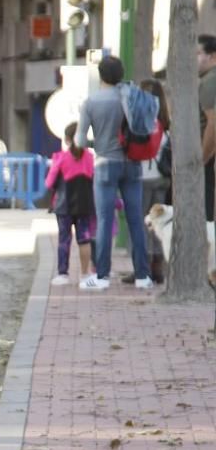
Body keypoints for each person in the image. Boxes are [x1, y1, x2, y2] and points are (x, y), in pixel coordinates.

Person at [76, 55, 152, 290]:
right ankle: (142, 276)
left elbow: (79, 141)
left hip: (106, 163)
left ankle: (102, 276)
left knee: (105, 220)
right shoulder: (131, 96)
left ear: (100, 74)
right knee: (135, 219)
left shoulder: (91, 102)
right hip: (133, 162)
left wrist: (96, 142)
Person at [122, 78, 171, 285]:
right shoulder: (166, 121)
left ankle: (141, 268)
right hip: (162, 177)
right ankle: (158, 266)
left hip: (140, 177)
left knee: (139, 224)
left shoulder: (139, 120)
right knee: (160, 223)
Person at [46, 122, 95, 286]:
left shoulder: (61, 158)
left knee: (64, 239)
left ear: (66, 139)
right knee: (84, 239)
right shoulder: (90, 157)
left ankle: (63, 274)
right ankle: (85, 274)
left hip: (64, 205)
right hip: (84, 204)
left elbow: (49, 183)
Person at [198, 35, 216, 223]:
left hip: (208, 160)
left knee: (206, 214)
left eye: (198, 53)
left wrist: (202, 158)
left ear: (211, 56)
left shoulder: (210, 82)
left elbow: (213, 123)